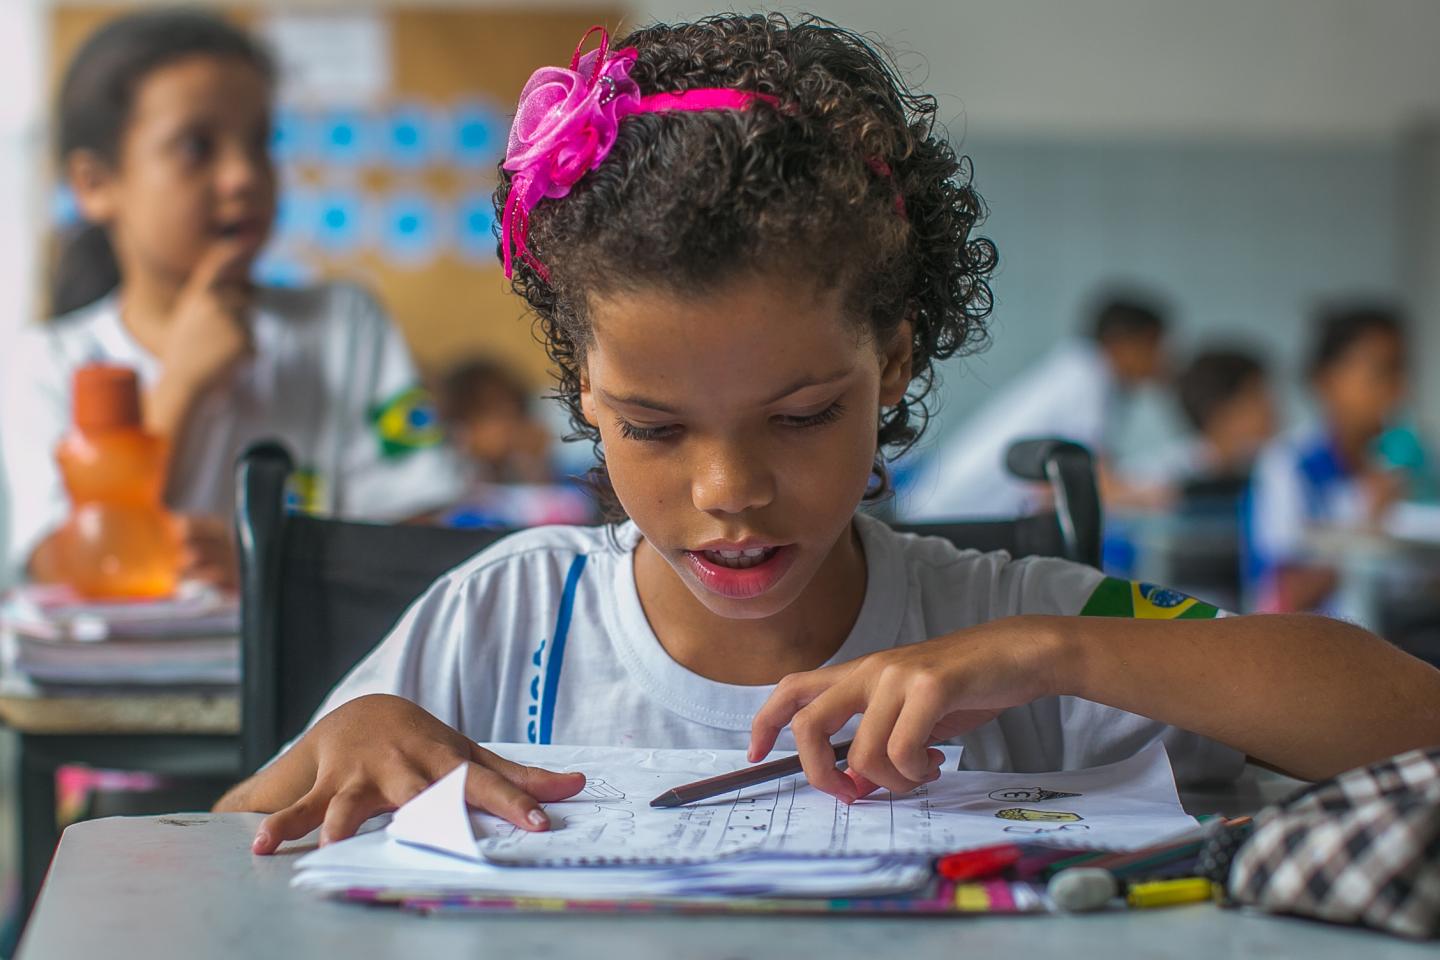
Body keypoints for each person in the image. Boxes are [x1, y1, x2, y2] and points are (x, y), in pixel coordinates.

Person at [213, 15, 1440, 851]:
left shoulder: (1007, 620)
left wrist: (1059, 653)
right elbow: (224, 848)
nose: (731, 488)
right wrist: (356, 729)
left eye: (801, 416)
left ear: (894, 357)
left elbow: (1408, 719)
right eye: (652, 427)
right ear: (582, 389)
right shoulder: (506, 621)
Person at [0, 10, 464, 588]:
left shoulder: (344, 325)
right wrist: (182, 384)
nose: (244, 175)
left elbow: (418, 537)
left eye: (260, 142)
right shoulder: (51, 363)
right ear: (95, 184)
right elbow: (62, 575)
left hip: (319, 677)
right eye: (197, 147)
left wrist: (269, 566)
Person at [901, 292, 1172, 521]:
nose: (1161, 360)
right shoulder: (1088, 377)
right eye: (1154, 346)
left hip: (946, 509)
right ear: (1122, 343)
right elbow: (1099, 486)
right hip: (957, 516)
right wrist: (1167, 495)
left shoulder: (1082, 372)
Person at [1246, 304, 1410, 613]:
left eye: (1401, 370)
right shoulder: (1290, 465)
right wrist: (1369, 527)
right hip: (1321, 648)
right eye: (1380, 372)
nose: (1396, 388)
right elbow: (1283, 598)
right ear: (1326, 380)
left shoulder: (1402, 464)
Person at [426, 357, 594, 528]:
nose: (467, 441)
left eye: (471, 425)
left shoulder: (572, 420)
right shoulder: (492, 474)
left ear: (500, 404)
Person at [1127, 347, 1277, 491]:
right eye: (1256, 398)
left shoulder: (1273, 468)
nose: (1270, 410)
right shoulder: (1160, 476)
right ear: (1219, 412)